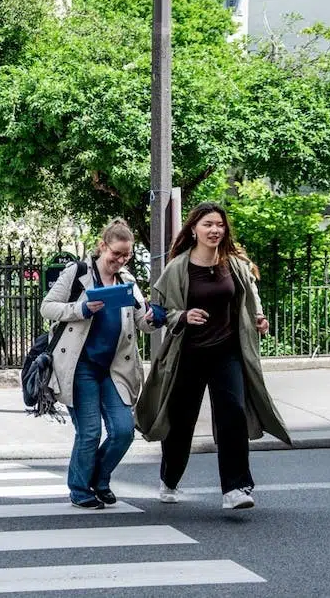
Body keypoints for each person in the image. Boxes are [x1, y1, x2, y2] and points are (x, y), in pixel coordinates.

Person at [135, 202, 291, 510]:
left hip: (227, 352)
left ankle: (235, 488)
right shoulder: (177, 267)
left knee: (232, 413)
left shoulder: (234, 264)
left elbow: (250, 297)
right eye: (208, 224)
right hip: (188, 355)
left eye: (219, 224)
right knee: (181, 422)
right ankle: (169, 478)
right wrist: (182, 316)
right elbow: (160, 312)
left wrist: (259, 318)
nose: (214, 230)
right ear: (194, 229)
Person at [39, 219, 156, 509]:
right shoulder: (77, 273)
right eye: (116, 253)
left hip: (115, 368)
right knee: (90, 432)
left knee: (123, 430)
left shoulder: (127, 280)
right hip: (80, 367)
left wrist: (153, 319)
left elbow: (141, 320)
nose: (120, 260)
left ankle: (99, 479)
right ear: (102, 246)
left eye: (126, 255)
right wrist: (80, 309)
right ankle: (80, 488)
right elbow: (47, 307)